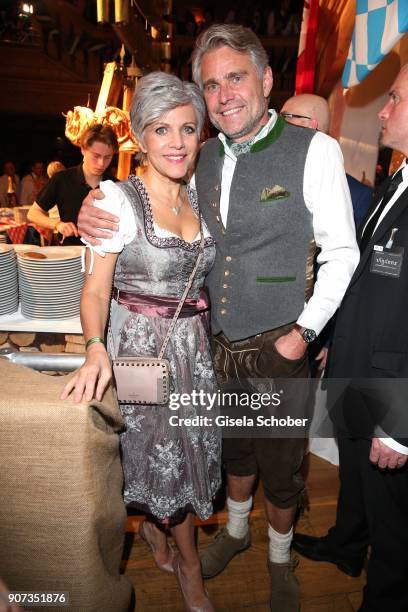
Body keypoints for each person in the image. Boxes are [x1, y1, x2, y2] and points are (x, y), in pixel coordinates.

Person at [76, 25, 359, 610]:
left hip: (281, 342)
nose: (225, 93)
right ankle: (232, 533)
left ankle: (279, 561)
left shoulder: (315, 149)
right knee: (224, 454)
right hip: (206, 344)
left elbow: (343, 253)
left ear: (267, 80)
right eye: (212, 84)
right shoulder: (197, 157)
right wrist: (92, 208)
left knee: (281, 466)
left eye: (236, 77)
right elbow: (139, 209)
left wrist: (305, 333)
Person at [61, 72, 221, 612]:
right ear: (140, 136)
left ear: (201, 134)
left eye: (187, 128)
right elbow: (95, 290)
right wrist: (94, 347)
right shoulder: (116, 199)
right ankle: (190, 569)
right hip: (136, 350)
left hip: (191, 351)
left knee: (181, 457)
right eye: (160, 129)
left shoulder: (203, 192)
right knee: (153, 456)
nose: (176, 142)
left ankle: (160, 534)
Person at [292, 65, 408, 612]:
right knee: (359, 482)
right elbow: (368, 280)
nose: (382, 112)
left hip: (393, 394)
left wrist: (402, 427)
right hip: (358, 367)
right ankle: (346, 545)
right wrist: (336, 343)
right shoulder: (398, 181)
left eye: (395, 100)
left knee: (396, 527)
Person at [281, 94, 373, 230]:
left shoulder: (357, 195)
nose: (276, 125)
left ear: (310, 126)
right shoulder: (267, 176)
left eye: (286, 117)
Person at [27, 126, 117, 246]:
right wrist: (58, 225)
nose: (101, 163)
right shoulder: (62, 179)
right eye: (96, 156)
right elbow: (33, 213)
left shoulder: (116, 186)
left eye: (107, 157)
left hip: (105, 256)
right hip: (71, 255)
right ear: (83, 150)